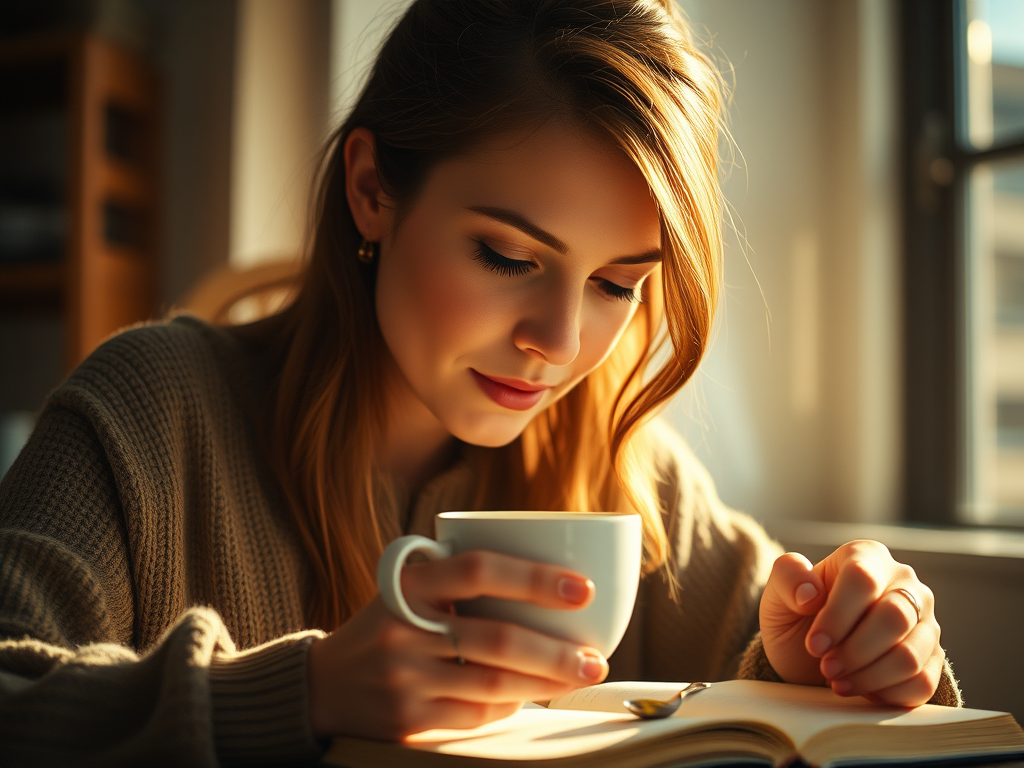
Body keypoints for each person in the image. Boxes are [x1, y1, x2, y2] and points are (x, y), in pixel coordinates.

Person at [0, 1, 959, 765]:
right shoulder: (149, 414)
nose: (559, 342)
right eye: (506, 256)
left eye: (617, 283)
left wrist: (832, 657)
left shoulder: (627, 468)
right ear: (372, 188)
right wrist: (308, 693)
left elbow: (798, 655)